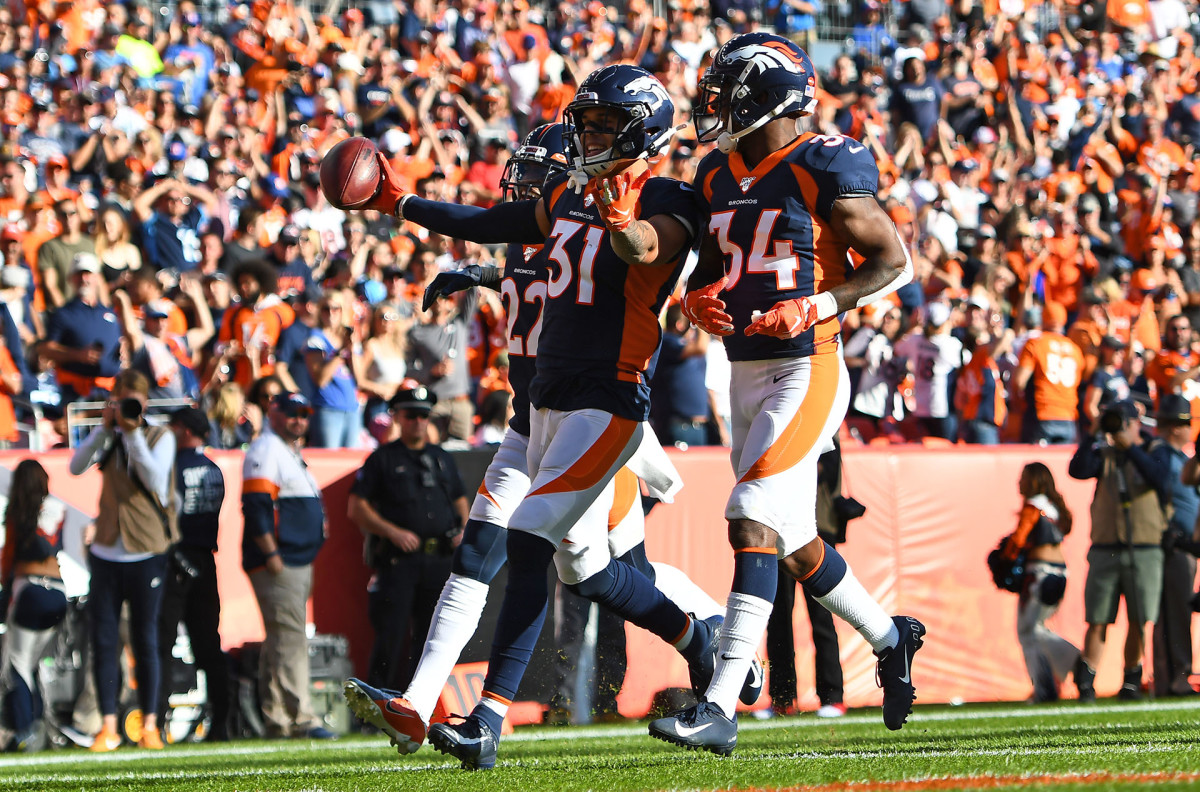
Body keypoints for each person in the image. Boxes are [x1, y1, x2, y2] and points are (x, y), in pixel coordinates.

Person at [340, 96, 757, 769]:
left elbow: (644, 245)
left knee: (529, 543)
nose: (583, 136)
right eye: (582, 124)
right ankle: (699, 639)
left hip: (607, 404)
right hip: (541, 409)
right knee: (587, 571)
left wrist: (623, 221)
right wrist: (400, 204)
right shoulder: (566, 192)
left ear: (637, 134)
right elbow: (488, 222)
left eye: (598, 126)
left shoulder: (670, 198)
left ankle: (486, 723)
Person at [649, 32, 923, 756]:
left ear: (765, 95)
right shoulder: (716, 172)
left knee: (749, 516)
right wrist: (696, 300)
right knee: (795, 542)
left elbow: (894, 262)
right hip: (743, 369)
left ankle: (719, 706)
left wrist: (819, 303)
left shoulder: (822, 161)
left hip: (807, 365)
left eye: (726, 92)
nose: (714, 107)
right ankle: (892, 639)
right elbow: (713, 267)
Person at [69, 369, 176, 751]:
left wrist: (131, 431)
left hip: (146, 550)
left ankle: (149, 723)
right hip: (106, 549)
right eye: (122, 400)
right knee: (104, 640)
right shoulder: (110, 435)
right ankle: (108, 725)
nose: (130, 407)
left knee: (146, 639)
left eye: (135, 401)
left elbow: (154, 480)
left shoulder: (159, 436)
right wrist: (104, 427)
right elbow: (76, 466)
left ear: (146, 402)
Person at [347, 385, 469, 690]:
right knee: (391, 633)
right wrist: (392, 532)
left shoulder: (441, 458)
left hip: (439, 558)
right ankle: (377, 704)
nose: (418, 422)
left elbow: (459, 500)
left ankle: (420, 702)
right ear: (398, 417)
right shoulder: (382, 459)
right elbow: (356, 507)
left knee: (432, 637)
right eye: (411, 415)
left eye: (423, 416)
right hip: (399, 561)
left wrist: (464, 531)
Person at [241, 392, 335, 740]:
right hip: (281, 560)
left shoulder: (286, 451)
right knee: (290, 639)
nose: (299, 420)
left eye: (304, 414)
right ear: (273, 412)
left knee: (281, 640)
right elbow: (256, 505)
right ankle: (302, 718)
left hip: (294, 559)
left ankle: (278, 718)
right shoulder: (265, 448)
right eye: (292, 413)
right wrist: (271, 555)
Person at [1068, 399, 1171, 702]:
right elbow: (1078, 469)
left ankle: (1131, 681)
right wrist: (1094, 433)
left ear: (1134, 422)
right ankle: (1087, 681)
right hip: (1106, 548)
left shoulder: (1155, 450)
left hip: (1145, 547)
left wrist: (1130, 446)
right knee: (1098, 618)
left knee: (1140, 618)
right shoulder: (1104, 454)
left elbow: (1159, 477)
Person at [764, 439, 852, 718]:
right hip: (779, 530)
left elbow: (826, 469)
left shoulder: (822, 419)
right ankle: (782, 697)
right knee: (778, 617)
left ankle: (832, 696)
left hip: (816, 529)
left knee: (822, 615)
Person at [158, 406, 231, 741]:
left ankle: (154, 720)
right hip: (205, 560)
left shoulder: (173, 467)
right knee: (209, 644)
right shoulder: (215, 469)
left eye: (173, 426)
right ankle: (223, 721)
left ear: (185, 430)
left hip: (176, 560)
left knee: (162, 642)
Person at [0, 460, 68, 752]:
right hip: (58, 592)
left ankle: (25, 730)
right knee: (37, 664)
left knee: (17, 665)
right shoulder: (57, 507)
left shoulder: (18, 513)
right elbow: (57, 548)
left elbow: (9, 562)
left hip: (29, 591)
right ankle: (42, 724)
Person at [1000, 463, 1080, 703]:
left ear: (1034, 481)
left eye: (1023, 478)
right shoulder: (1054, 506)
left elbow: (1018, 540)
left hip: (1039, 573)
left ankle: (1067, 670)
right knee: (1037, 629)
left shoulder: (1033, 506)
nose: (1019, 483)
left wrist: (1005, 558)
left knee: (1029, 631)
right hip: (1059, 573)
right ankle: (1057, 680)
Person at [1152, 395, 1200, 697]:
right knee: (1175, 612)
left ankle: (1172, 676)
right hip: (1174, 545)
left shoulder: (1179, 457)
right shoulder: (1161, 456)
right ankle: (1176, 676)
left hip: (1187, 546)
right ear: (1173, 426)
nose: (1189, 429)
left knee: (1178, 610)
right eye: (1185, 423)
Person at [1015, 302, 1085, 445]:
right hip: (1068, 416)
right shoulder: (1075, 349)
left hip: (1042, 413)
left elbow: (1019, 381)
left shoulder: (1035, 343)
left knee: (1037, 465)